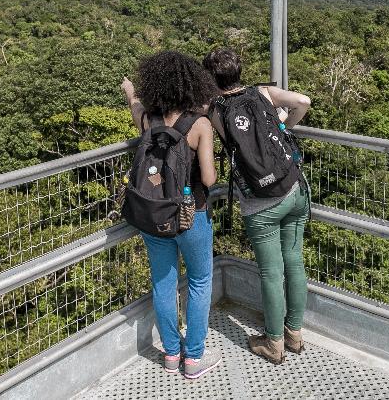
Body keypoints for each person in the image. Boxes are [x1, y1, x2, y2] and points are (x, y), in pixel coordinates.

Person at [202, 48, 312, 365]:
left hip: (260, 202)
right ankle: (295, 334)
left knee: (270, 272)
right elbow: (303, 101)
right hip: (294, 188)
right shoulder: (262, 91)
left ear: (212, 80)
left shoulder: (214, 111)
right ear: (239, 72)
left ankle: (273, 343)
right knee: (294, 261)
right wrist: (285, 126)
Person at [121, 51, 221, 379]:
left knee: (163, 283)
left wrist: (130, 91)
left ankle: (170, 354)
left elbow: (135, 105)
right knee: (199, 280)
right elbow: (208, 179)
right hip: (193, 215)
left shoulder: (148, 119)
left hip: (154, 215)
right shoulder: (200, 125)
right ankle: (193, 358)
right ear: (193, 84)